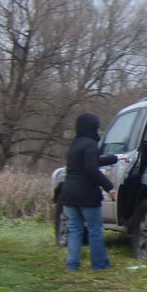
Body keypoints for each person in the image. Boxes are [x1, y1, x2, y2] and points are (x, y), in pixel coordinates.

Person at [56, 111, 118, 271]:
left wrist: (114, 158)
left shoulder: (74, 145)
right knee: (95, 230)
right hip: (87, 195)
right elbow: (92, 169)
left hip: (69, 193)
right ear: (92, 127)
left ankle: (72, 265)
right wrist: (109, 187)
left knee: (75, 230)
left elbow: (88, 163)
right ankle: (99, 264)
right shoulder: (91, 145)